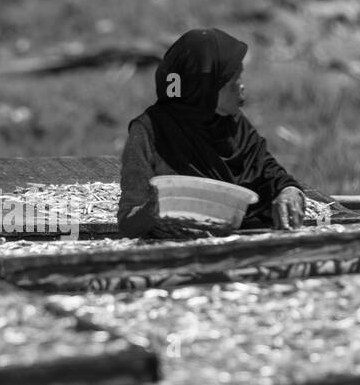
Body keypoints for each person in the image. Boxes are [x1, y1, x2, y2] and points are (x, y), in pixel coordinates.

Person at [117, 28, 305, 238]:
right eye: (233, 81)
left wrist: (289, 192)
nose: (242, 87)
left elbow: (271, 175)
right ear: (204, 89)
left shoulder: (234, 124)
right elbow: (128, 221)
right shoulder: (149, 132)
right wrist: (157, 210)